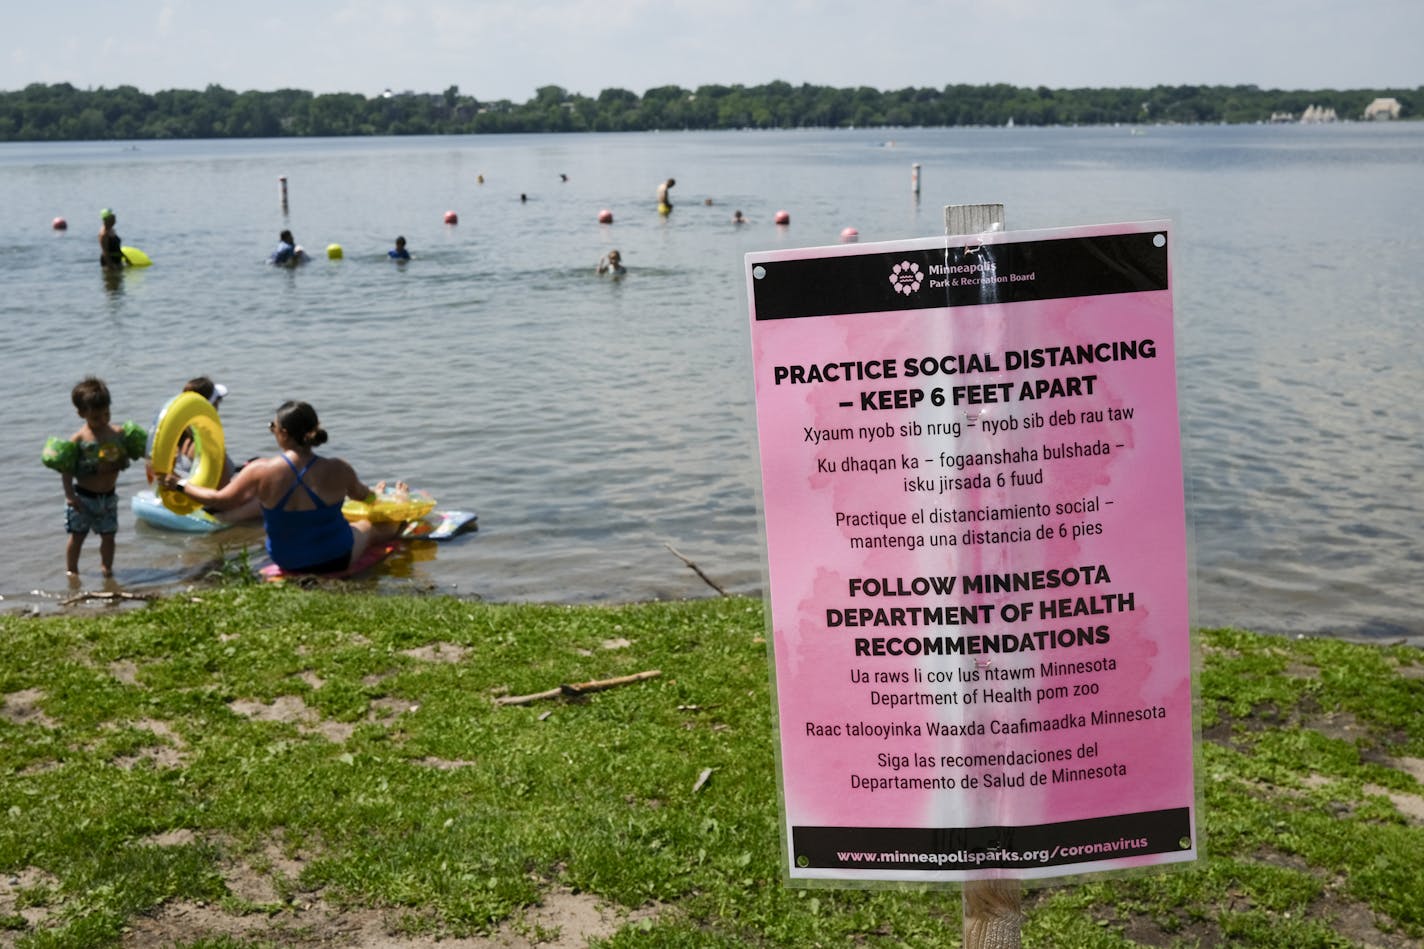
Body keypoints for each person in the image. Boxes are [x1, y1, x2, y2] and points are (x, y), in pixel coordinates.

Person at [160, 400, 401, 574]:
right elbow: (364, 497)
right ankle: (402, 526)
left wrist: (178, 484)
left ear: (283, 434)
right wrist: (382, 497)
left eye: (271, 427)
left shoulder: (260, 470)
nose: (273, 431)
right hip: (335, 558)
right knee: (367, 527)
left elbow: (217, 499)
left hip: (287, 560)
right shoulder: (339, 468)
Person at [41, 377, 146, 578]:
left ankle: (107, 570)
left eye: (107, 414)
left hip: (108, 497)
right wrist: (70, 495)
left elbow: (143, 451)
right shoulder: (79, 440)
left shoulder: (118, 433)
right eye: (97, 417)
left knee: (109, 536)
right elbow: (67, 469)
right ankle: (72, 570)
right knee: (77, 536)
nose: (103, 420)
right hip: (83, 498)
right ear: (82, 414)